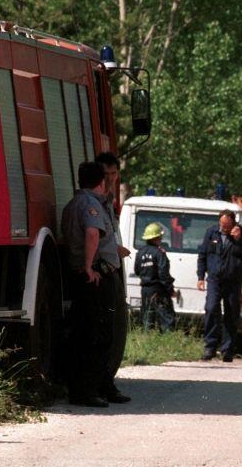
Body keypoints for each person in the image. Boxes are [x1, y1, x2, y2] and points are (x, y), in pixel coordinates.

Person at [60, 161, 131, 407]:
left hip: (90, 274)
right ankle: (86, 391)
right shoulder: (90, 205)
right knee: (96, 335)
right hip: (95, 276)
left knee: (93, 333)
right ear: (101, 181)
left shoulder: (75, 203)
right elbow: (92, 233)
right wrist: (90, 266)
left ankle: (101, 386)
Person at [196, 209, 242, 362]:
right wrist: (200, 276)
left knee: (231, 314)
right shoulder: (212, 232)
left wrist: (239, 240)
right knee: (211, 308)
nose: (223, 228)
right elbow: (203, 255)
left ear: (233, 223)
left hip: (233, 281)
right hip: (214, 279)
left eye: (226, 226)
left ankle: (227, 350)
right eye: (221, 224)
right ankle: (210, 347)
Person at [95, 151, 131, 384]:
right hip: (101, 270)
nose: (110, 178)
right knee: (103, 332)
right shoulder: (95, 202)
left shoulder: (108, 202)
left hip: (111, 267)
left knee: (112, 330)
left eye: (114, 174)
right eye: (106, 174)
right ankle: (102, 381)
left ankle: (106, 380)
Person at [134, 222, 177, 332]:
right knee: (167, 318)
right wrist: (170, 289)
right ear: (156, 237)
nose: (161, 239)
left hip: (145, 290)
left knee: (147, 318)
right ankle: (168, 342)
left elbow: (137, 270)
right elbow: (163, 274)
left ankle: (147, 341)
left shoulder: (140, 253)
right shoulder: (159, 253)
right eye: (160, 236)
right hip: (159, 290)